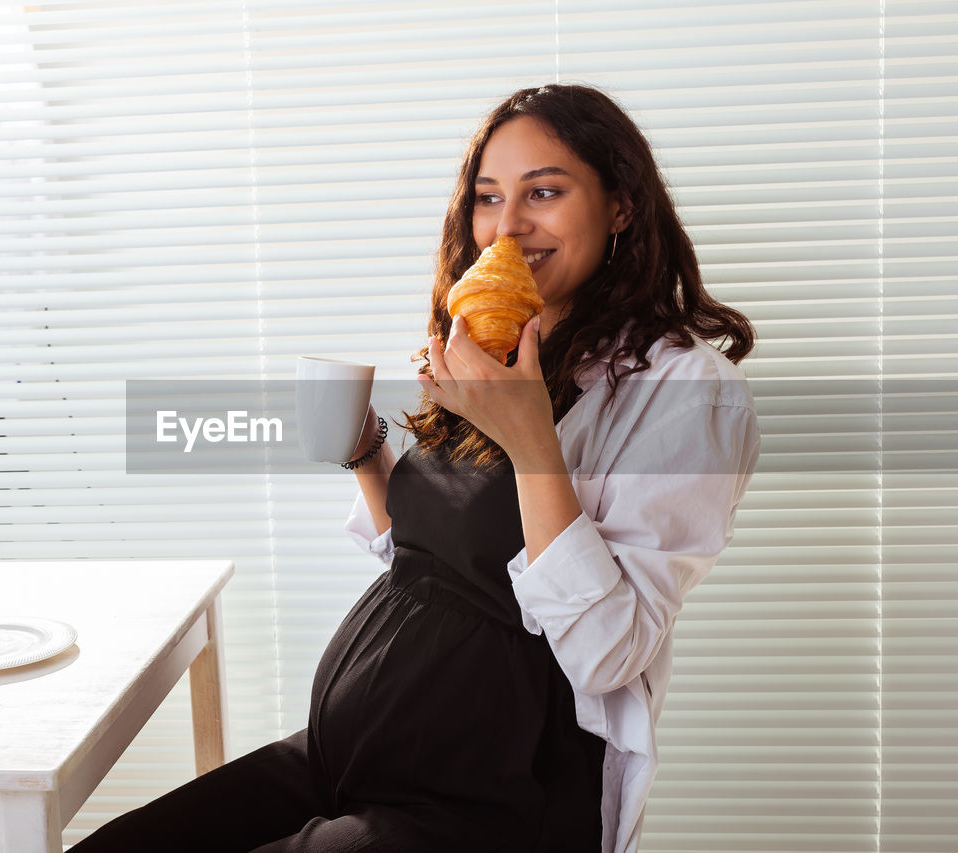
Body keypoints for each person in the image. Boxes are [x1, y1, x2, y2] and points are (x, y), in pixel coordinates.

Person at [73, 84, 760, 853]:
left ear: (622, 204)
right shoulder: (493, 342)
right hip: (349, 756)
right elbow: (438, 562)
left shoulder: (687, 392)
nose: (507, 225)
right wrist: (366, 452)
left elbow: (608, 651)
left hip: (481, 799)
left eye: (545, 191)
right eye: (488, 197)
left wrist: (532, 440)